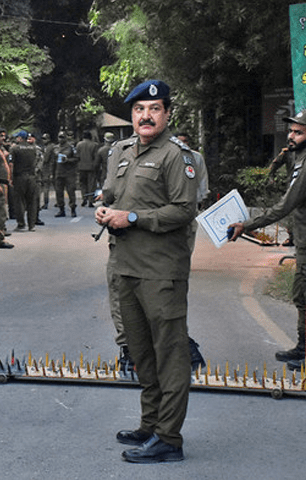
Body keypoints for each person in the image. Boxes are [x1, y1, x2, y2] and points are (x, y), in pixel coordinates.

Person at [95, 80, 197, 463]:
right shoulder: (121, 151)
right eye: (139, 109)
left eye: (154, 108)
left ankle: (169, 438)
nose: (146, 116)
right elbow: (109, 193)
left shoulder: (176, 156)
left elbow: (184, 211)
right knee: (141, 352)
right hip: (125, 267)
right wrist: (104, 208)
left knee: (169, 355)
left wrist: (133, 216)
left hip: (160, 272)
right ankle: (151, 423)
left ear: (167, 114)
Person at [229, 110, 306, 372]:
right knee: (300, 294)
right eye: (291, 131)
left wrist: (246, 225)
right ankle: (304, 347)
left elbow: (285, 206)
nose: (291, 136)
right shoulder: (298, 158)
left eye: (298, 132)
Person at [9, 131, 40, 231]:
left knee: (19, 201)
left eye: (17, 137)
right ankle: (32, 225)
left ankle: (21, 224)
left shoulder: (14, 148)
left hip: (19, 177)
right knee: (32, 202)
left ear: (20, 138)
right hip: (32, 177)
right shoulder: (34, 148)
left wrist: (10, 177)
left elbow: (11, 164)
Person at [53, 131, 78, 217]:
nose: (61, 139)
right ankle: (61, 209)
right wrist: (51, 173)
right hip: (59, 173)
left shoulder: (71, 147)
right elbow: (53, 161)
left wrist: (68, 160)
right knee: (59, 192)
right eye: (59, 137)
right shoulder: (55, 148)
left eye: (62, 137)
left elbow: (77, 159)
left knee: (71, 192)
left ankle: (73, 209)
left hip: (69, 173)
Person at [76, 131, 99, 207]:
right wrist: (96, 167)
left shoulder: (79, 145)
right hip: (91, 167)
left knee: (83, 184)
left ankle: (84, 198)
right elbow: (96, 158)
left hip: (81, 167)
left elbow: (77, 156)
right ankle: (90, 200)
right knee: (91, 185)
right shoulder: (94, 145)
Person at [39, 133, 54, 209]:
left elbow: (46, 159)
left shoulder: (49, 147)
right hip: (48, 169)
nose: (43, 140)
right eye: (43, 138)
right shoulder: (46, 147)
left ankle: (45, 202)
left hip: (48, 169)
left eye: (45, 139)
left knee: (46, 187)